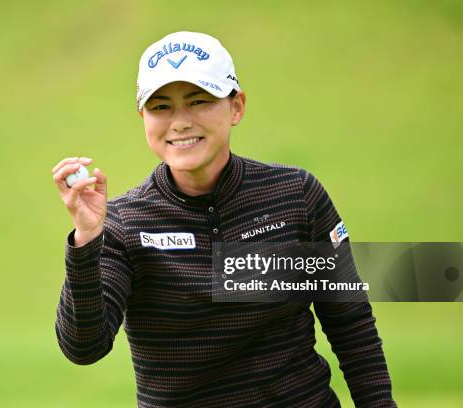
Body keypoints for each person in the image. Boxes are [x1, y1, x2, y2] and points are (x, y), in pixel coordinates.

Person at [52, 31, 396, 408]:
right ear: (143, 117)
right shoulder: (125, 222)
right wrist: (86, 239)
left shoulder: (295, 194)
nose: (180, 122)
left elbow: (351, 322)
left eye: (198, 101)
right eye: (161, 106)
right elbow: (84, 347)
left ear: (236, 107)